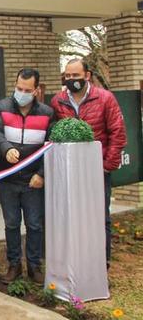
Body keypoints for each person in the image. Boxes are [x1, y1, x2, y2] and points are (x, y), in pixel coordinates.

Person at [50, 58, 126, 267]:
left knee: (100, 217)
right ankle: (77, 260)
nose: (71, 79)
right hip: (70, 172)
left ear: (87, 76)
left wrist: (106, 166)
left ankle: (101, 263)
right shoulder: (58, 101)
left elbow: (118, 133)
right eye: (68, 76)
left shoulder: (105, 98)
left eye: (76, 75)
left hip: (97, 171)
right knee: (73, 216)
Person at [0, 68, 54, 285]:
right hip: (7, 179)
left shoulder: (47, 113)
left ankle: (34, 266)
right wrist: (6, 148)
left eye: (27, 90)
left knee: (35, 224)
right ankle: (14, 265)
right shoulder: (1, 108)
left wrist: (42, 174)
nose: (22, 93)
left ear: (36, 90)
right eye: (18, 88)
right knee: (11, 224)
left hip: (33, 181)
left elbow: (52, 147)